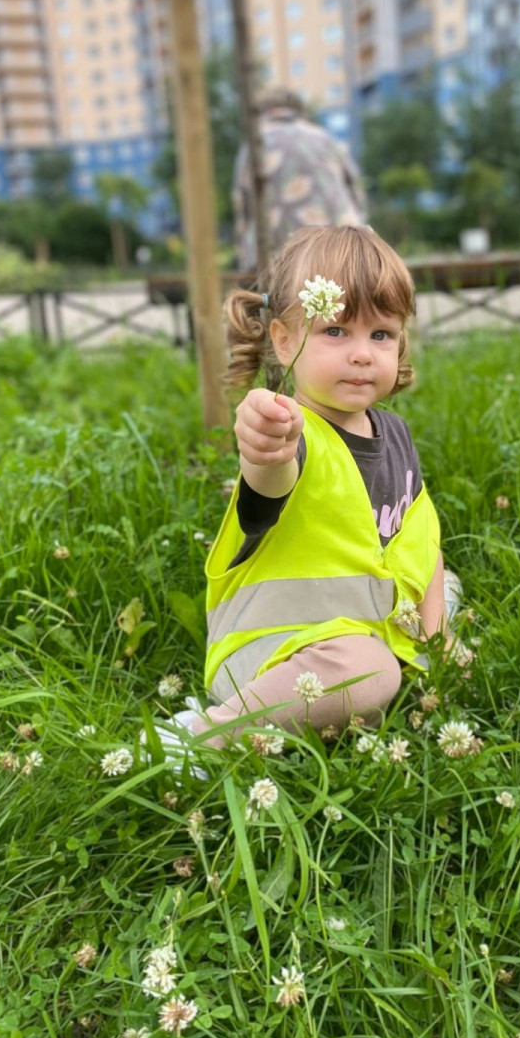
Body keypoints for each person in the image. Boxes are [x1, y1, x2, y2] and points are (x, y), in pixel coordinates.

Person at [181, 224, 449, 748]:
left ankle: (383, 664)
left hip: (356, 628)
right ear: (284, 341)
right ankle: (202, 736)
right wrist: (263, 446)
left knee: (443, 594)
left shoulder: (394, 434)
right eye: (335, 332)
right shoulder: (290, 430)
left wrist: (437, 643)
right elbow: (270, 478)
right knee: (371, 673)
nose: (362, 354)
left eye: (381, 335)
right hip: (273, 646)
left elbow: (422, 543)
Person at [232, 88, 367, 272]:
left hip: (279, 257)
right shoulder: (325, 138)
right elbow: (357, 196)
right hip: (339, 251)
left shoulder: (254, 144)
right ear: (300, 111)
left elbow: (243, 209)